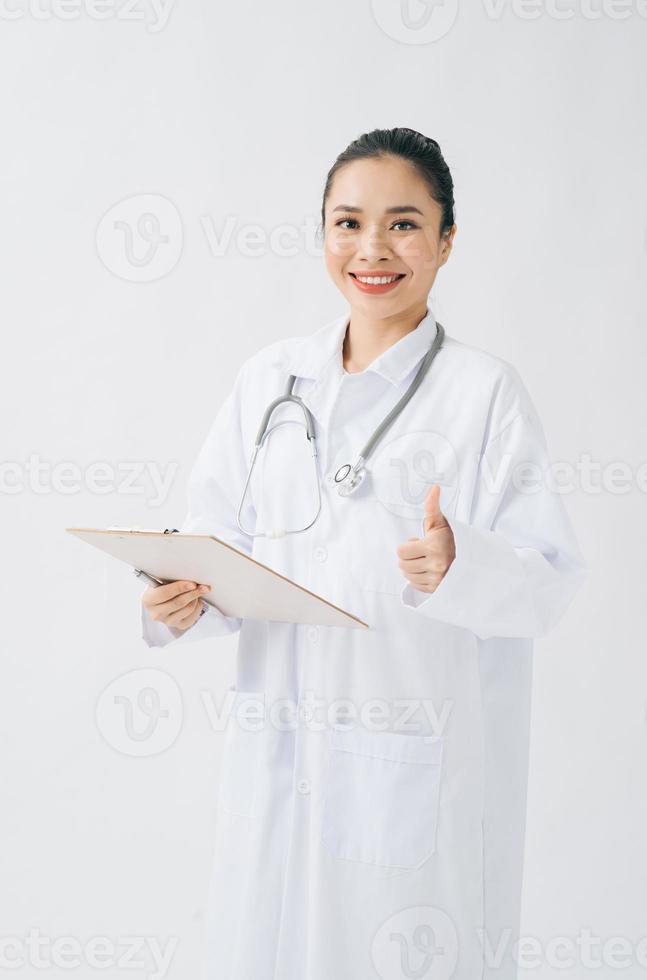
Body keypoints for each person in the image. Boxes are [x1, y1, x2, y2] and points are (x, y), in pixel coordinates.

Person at [141, 127, 587, 980]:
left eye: (405, 224)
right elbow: (214, 540)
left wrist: (464, 565)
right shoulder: (272, 379)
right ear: (322, 235)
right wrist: (182, 597)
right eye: (348, 222)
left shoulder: (483, 393)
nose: (373, 249)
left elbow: (546, 583)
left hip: (410, 764)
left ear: (448, 241)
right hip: (278, 752)